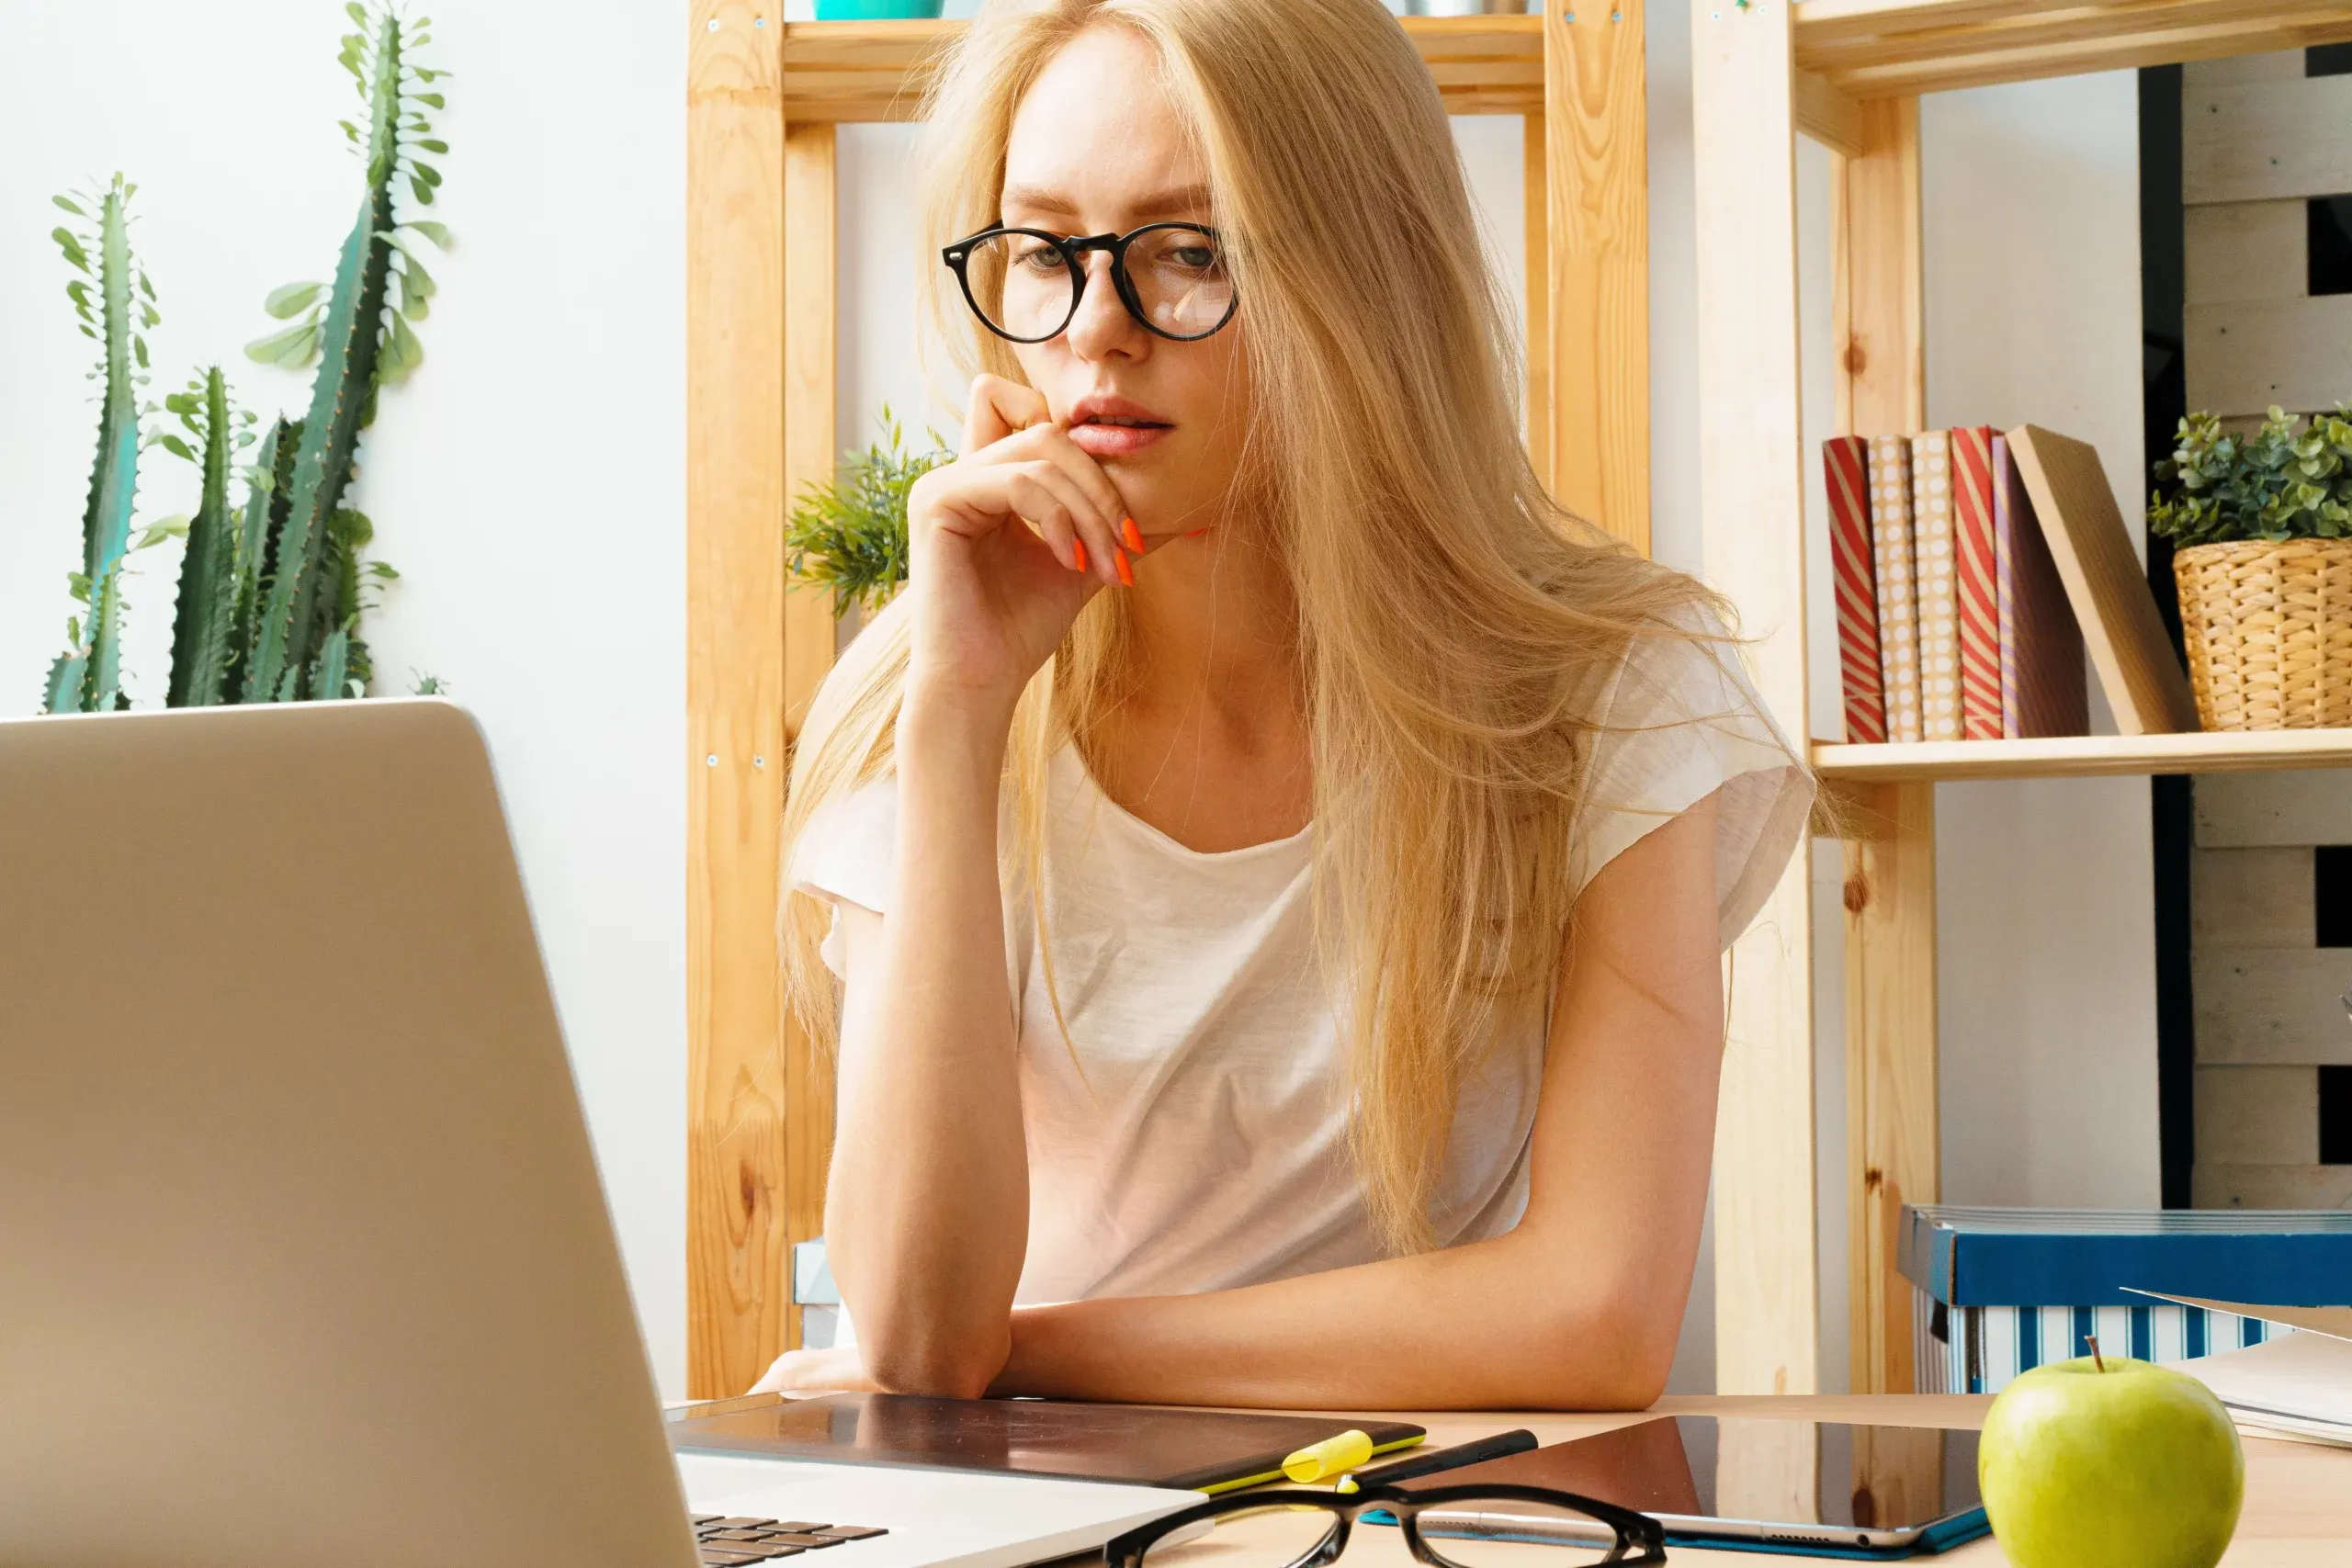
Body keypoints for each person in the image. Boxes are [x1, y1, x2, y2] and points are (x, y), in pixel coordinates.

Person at [758, 0, 1810, 1409]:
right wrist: (957, 717)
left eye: (1190, 253)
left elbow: (1594, 1313)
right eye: (1043, 251)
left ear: (1370, 279)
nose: (1099, 332)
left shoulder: (1613, 693)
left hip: (1408, 1519)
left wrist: (1032, 1353)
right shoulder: (933, 687)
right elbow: (912, 1330)